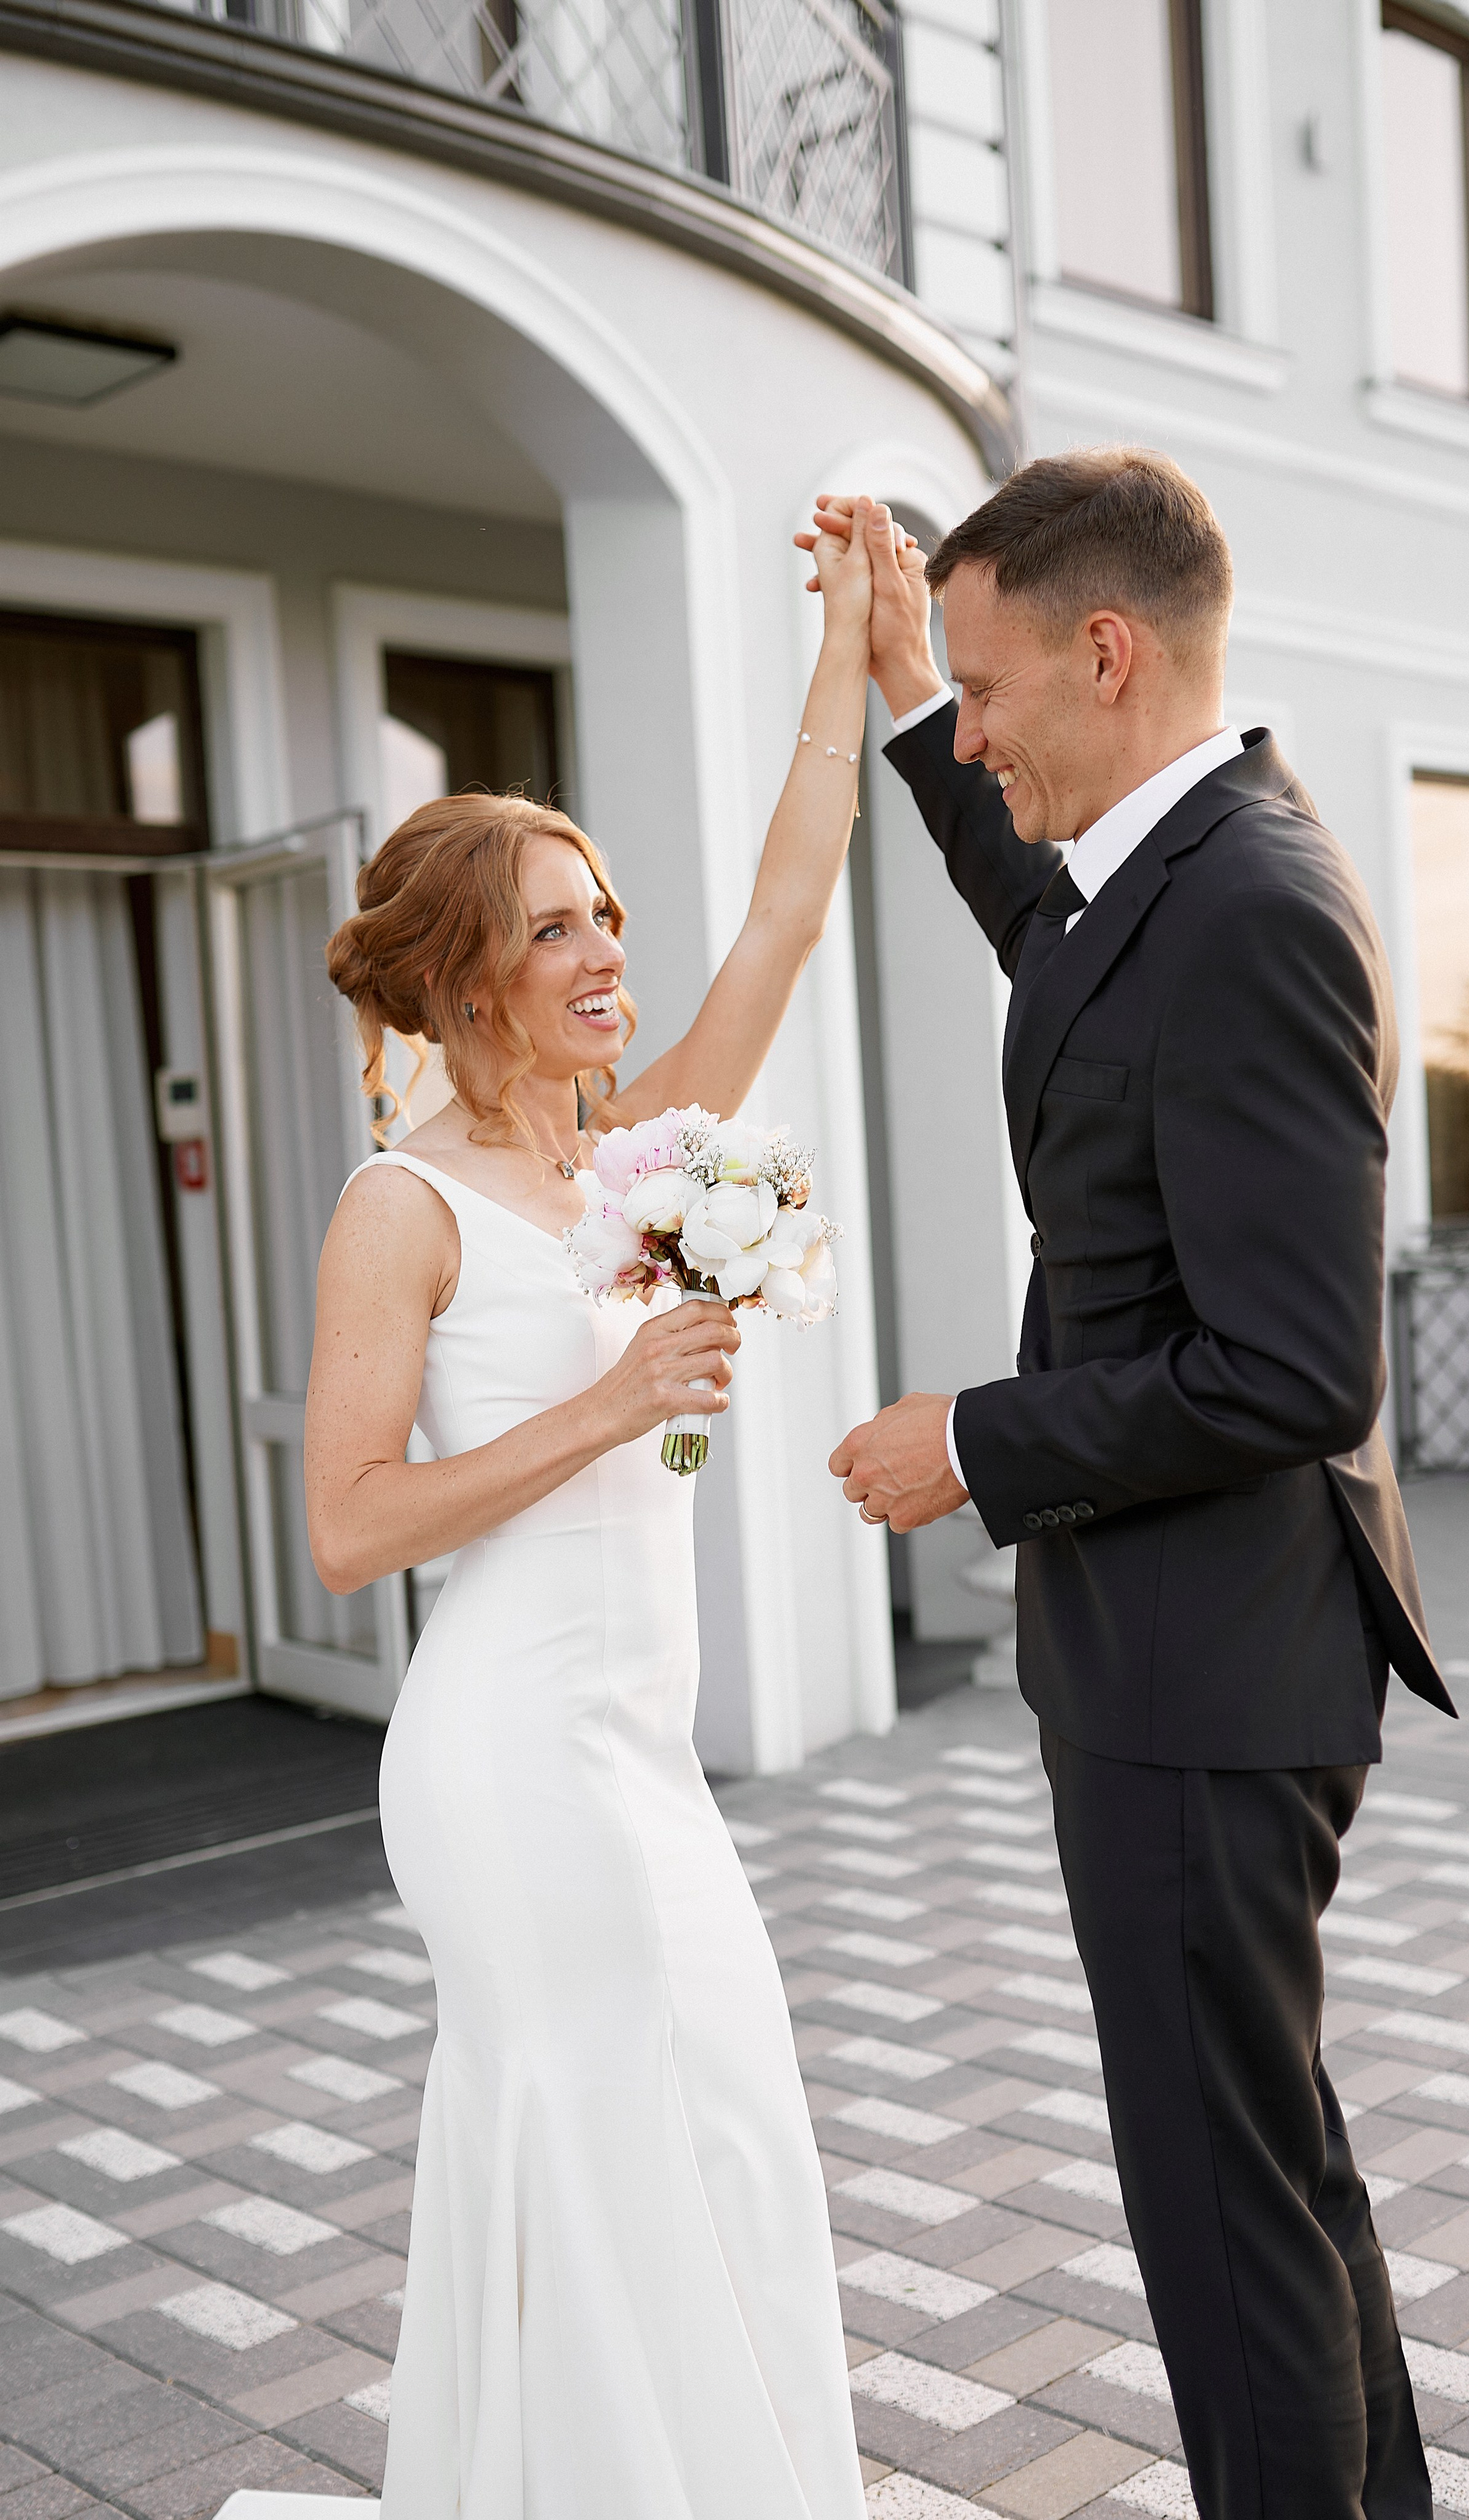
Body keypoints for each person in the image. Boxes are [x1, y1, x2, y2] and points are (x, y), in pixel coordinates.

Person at [823, 452, 1456, 2520]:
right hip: (1182, 1654)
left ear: (1110, 652)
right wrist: (916, 699)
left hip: (1209, 1670)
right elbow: (1053, 948)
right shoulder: (1162, 882)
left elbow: (1290, 1368)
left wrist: (973, 1443)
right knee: (1271, 2163)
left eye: (996, 689)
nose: (980, 730)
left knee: (1219, 2217)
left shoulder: (1255, 908)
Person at [302, 504, 884, 2518]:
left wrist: (845, 647)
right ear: (463, 975)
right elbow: (351, 1531)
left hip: (641, 1748)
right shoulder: (405, 1209)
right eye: (554, 926)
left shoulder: (640, 1159)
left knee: (719, 2105)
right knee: (607, 2124)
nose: (606, 952)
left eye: (605, 912)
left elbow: (785, 923)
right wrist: (617, 1398)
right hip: (506, 1751)